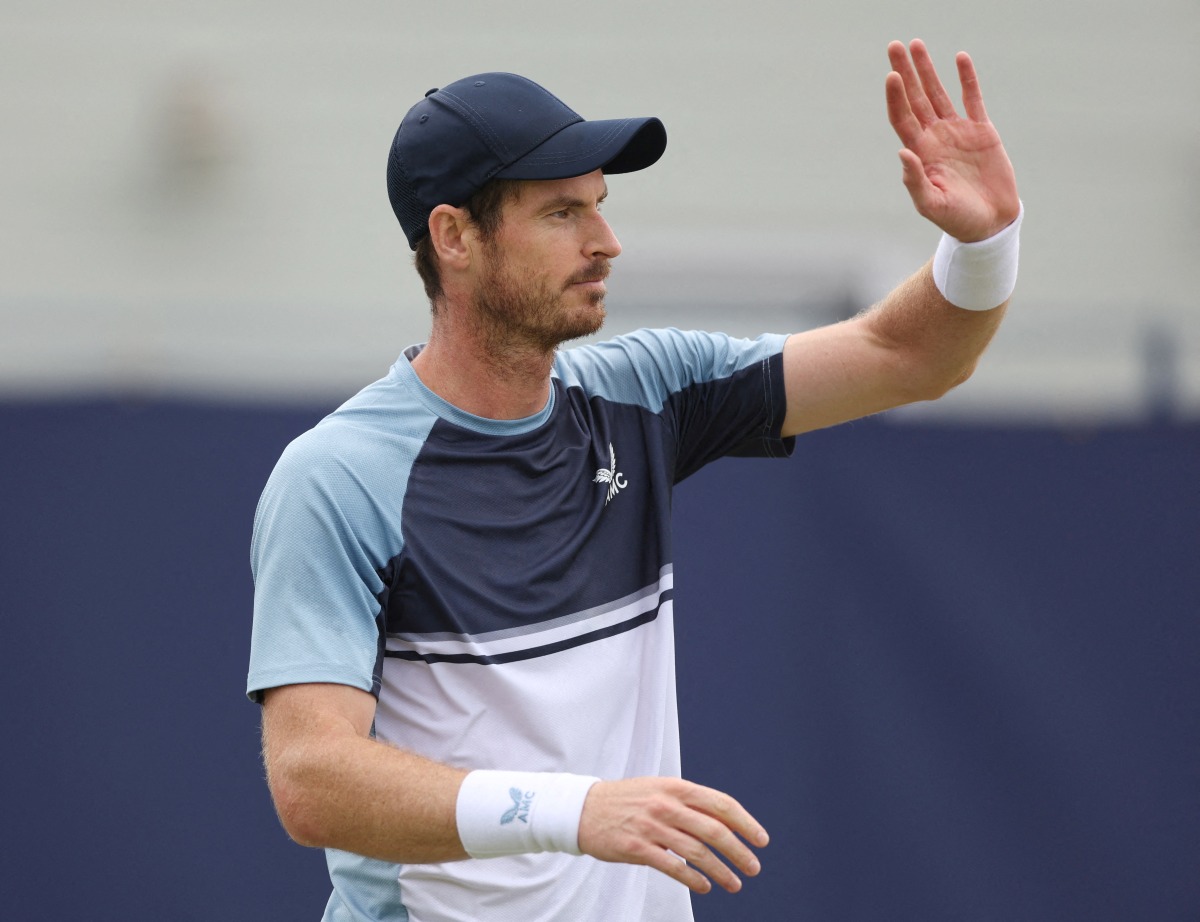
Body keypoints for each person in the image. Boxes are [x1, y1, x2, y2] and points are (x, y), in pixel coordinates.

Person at [248, 39, 1021, 922]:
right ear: (454, 237)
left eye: (601, 207)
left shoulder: (643, 390)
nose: (607, 243)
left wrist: (985, 242)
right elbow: (313, 781)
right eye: (562, 213)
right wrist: (576, 812)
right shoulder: (338, 475)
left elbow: (908, 355)